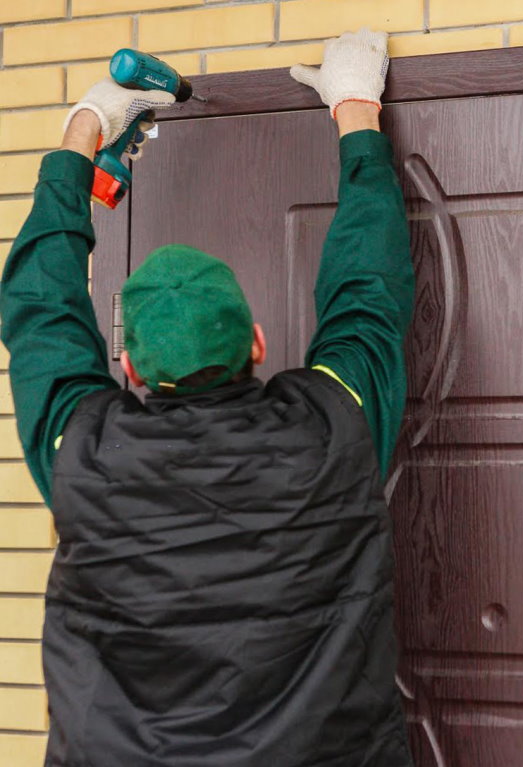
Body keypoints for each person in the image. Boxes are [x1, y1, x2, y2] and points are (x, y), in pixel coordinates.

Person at [0, 29, 415, 767]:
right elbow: (369, 291)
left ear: (127, 365)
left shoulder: (83, 454)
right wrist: (355, 107)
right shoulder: (333, 427)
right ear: (255, 342)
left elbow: (40, 309)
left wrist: (86, 128)